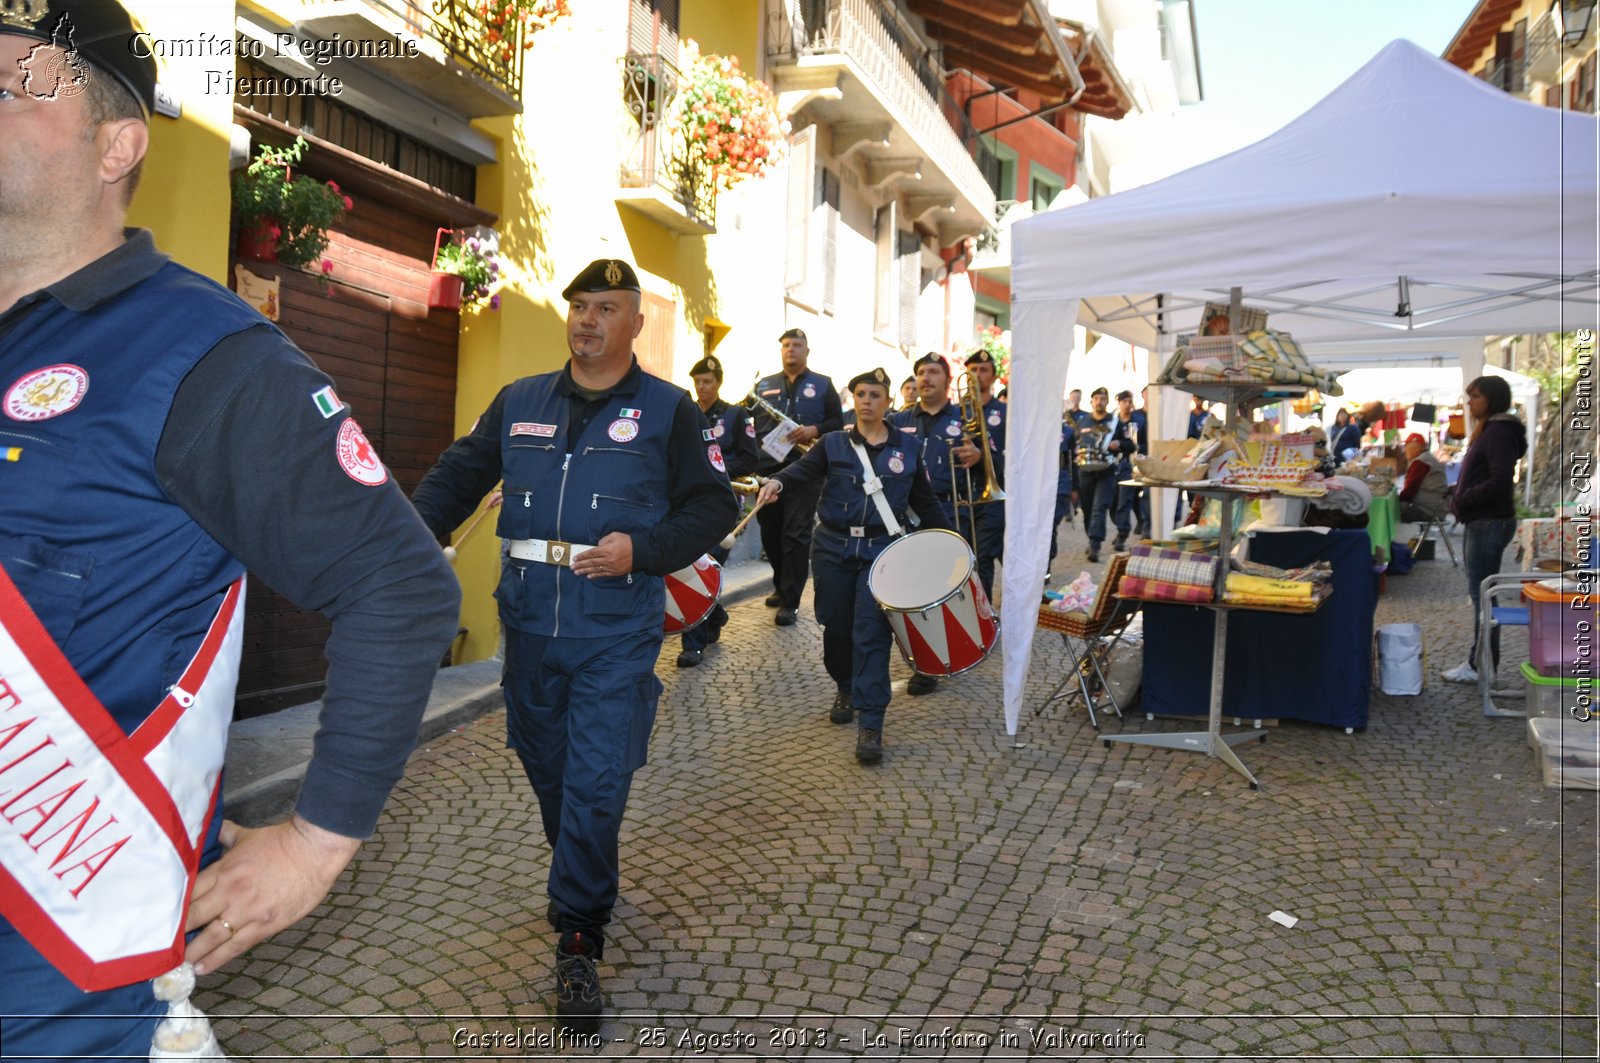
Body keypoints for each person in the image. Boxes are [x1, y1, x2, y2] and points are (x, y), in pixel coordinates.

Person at [0, 4, 461, 1056]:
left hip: (64, 973)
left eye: (11, 85)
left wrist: (314, 841)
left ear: (119, 146)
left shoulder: (206, 358)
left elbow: (402, 586)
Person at [410, 258, 737, 1031]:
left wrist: (645, 548)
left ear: (635, 323)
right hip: (526, 626)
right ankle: (583, 873)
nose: (588, 320)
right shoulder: (520, 400)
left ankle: (579, 933)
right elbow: (459, 475)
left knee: (595, 781)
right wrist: (406, 534)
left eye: (606, 308)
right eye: (580, 306)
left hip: (614, 629)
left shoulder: (666, 411)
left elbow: (713, 505)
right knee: (549, 769)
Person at [755, 369, 949, 764]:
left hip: (882, 552)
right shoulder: (833, 444)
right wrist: (777, 483)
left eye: (875, 394)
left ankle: (871, 724)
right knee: (837, 629)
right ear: (854, 399)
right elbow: (800, 472)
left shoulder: (906, 450)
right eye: (860, 394)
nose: (866, 401)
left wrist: (948, 544)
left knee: (871, 634)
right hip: (833, 549)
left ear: (888, 402)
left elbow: (926, 503)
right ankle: (845, 684)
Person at [890, 353, 981, 695]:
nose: (925, 378)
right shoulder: (897, 419)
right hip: (905, 518)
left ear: (947, 379)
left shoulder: (966, 419)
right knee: (913, 590)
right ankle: (924, 665)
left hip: (949, 512)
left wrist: (981, 456)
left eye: (933, 372)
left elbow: (995, 462)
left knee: (943, 589)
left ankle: (957, 646)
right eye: (920, 372)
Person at [747, 328, 842, 626]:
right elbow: (747, 420)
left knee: (796, 534)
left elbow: (838, 421)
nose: (791, 349)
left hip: (806, 468)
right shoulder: (763, 384)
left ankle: (790, 600)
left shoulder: (823, 385)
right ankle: (779, 583)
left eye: (797, 345)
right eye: (786, 345)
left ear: (807, 351)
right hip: (768, 469)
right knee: (770, 534)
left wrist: (814, 430)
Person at [677, 353, 760, 667]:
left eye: (707, 381)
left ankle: (694, 643)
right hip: (689, 503)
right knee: (698, 565)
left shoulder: (736, 416)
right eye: (697, 381)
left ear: (718, 383)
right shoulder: (687, 414)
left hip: (727, 505)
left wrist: (716, 469)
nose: (701, 386)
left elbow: (750, 459)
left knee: (701, 565)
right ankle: (714, 616)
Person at [1442, 376, 1526, 684]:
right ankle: (1481, 663)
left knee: (1483, 596)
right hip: (1485, 520)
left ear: (1490, 398)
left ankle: (1481, 666)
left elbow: (1500, 480)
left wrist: (1465, 497)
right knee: (1481, 594)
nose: (1469, 402)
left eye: (1474, 396)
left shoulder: (1499, 432)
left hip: (1488, 521)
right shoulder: (1493, 430)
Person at [965, 348, 1006, 600]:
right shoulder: (954, 411)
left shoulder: (1004, 413)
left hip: (991, 495)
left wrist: (982, 457)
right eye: (973, 370)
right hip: (960, 493)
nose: (977, 375)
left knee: (982, 559)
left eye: (983, 370)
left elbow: (1011, 458)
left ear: (993, 377)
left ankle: (984, 615)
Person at [1073, 387, 1124, 563]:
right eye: (1097, 398)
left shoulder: (1115, 422)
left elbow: (1130, 444)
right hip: (1085, 471)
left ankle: (1095, 544)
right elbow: (1074, 443)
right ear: (1092, 401)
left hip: (1106, 471)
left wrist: (1119, 443)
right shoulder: (1082, 421)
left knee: (1099, 507)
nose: (1099, 402)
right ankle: (1091, 537)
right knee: (1087, 509)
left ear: (1107, 401)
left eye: (1103, 398)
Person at [1048, 407, 1079, 577]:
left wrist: (1075, 487)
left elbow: (1073, 463)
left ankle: (1047, 564)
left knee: (1051, 523)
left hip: (1061, 482)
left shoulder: (1067, 432)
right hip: (1041, 483)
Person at [1397, 432, 1448, 524]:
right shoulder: (1428, 458)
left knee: (1392, 515)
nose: (1405, 450)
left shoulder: (1421, 462)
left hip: (1427, 510)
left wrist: (1395, 500)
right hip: (1437, 508)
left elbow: (1409, 491)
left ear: (1417, 448)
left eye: (1407, 447)